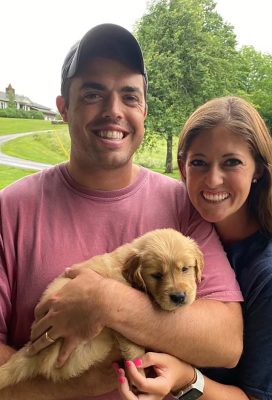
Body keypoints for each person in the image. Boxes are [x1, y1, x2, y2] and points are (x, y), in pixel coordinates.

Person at [0, 25, 243, 400]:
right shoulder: (10, 209)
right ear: (64, 108)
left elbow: (226, 342)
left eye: (129, 96)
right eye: (93, 93)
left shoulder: (183, 205)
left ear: (144, 110)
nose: (113, 111)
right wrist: (87, 385)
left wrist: (108, 302)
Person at [116, 96, 272, 400]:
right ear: (183, 167)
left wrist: (188, 380)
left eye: (232, 162)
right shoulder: (174, 240)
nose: (213, 179)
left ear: (257, 169)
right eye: (199, 163)